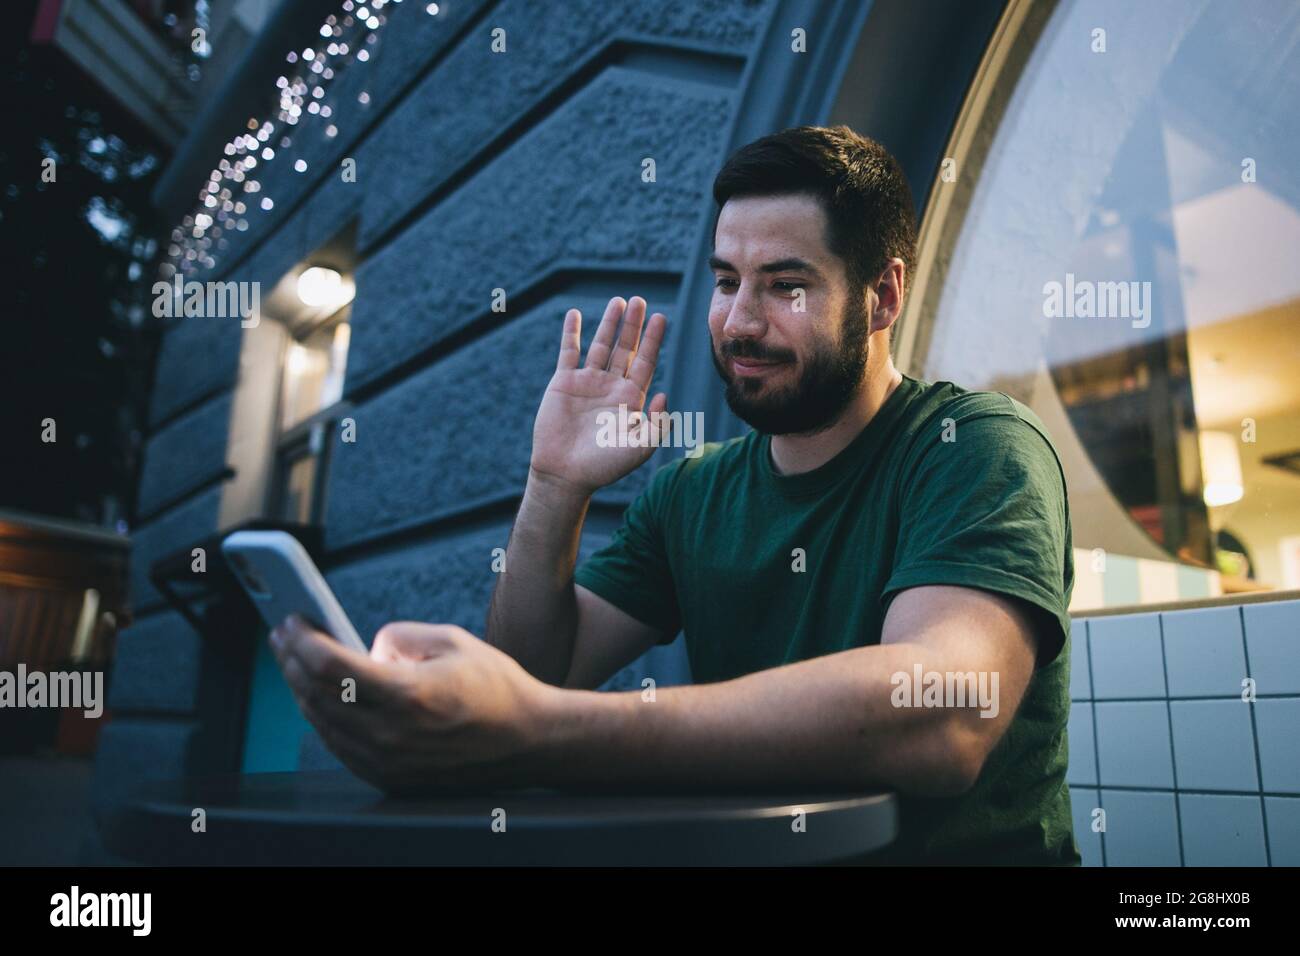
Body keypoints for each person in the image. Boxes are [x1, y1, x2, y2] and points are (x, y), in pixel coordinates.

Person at [270, 125, 1080, 865]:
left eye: (785, 285)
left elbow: (945, 712)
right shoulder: (694, 493)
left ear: (883, 295)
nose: (738, 322)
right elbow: (532, 668)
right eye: (728, 280)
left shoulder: (974, 447)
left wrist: (541, 732)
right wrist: (554, 486)